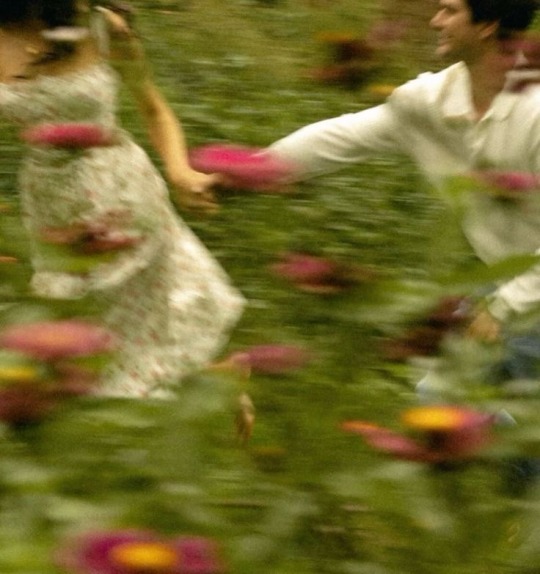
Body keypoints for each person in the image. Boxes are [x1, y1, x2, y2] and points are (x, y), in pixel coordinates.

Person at [266, 0, 540, 382]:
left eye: (450, 11)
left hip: (521, 293)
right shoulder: (434, 100)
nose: (435, 21)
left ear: (487, 26)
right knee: (442, 395)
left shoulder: (534, 110)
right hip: (507, 284)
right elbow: (342, 136)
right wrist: (251, 170)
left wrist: (504, 307)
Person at [0, 0, 244, 398]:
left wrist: (180, 171)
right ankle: (217, 387)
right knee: (76, 326)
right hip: (50, 203)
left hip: (121, 190)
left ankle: (192, 395)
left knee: (117, 322)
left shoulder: (99, 26)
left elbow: (153, 107)